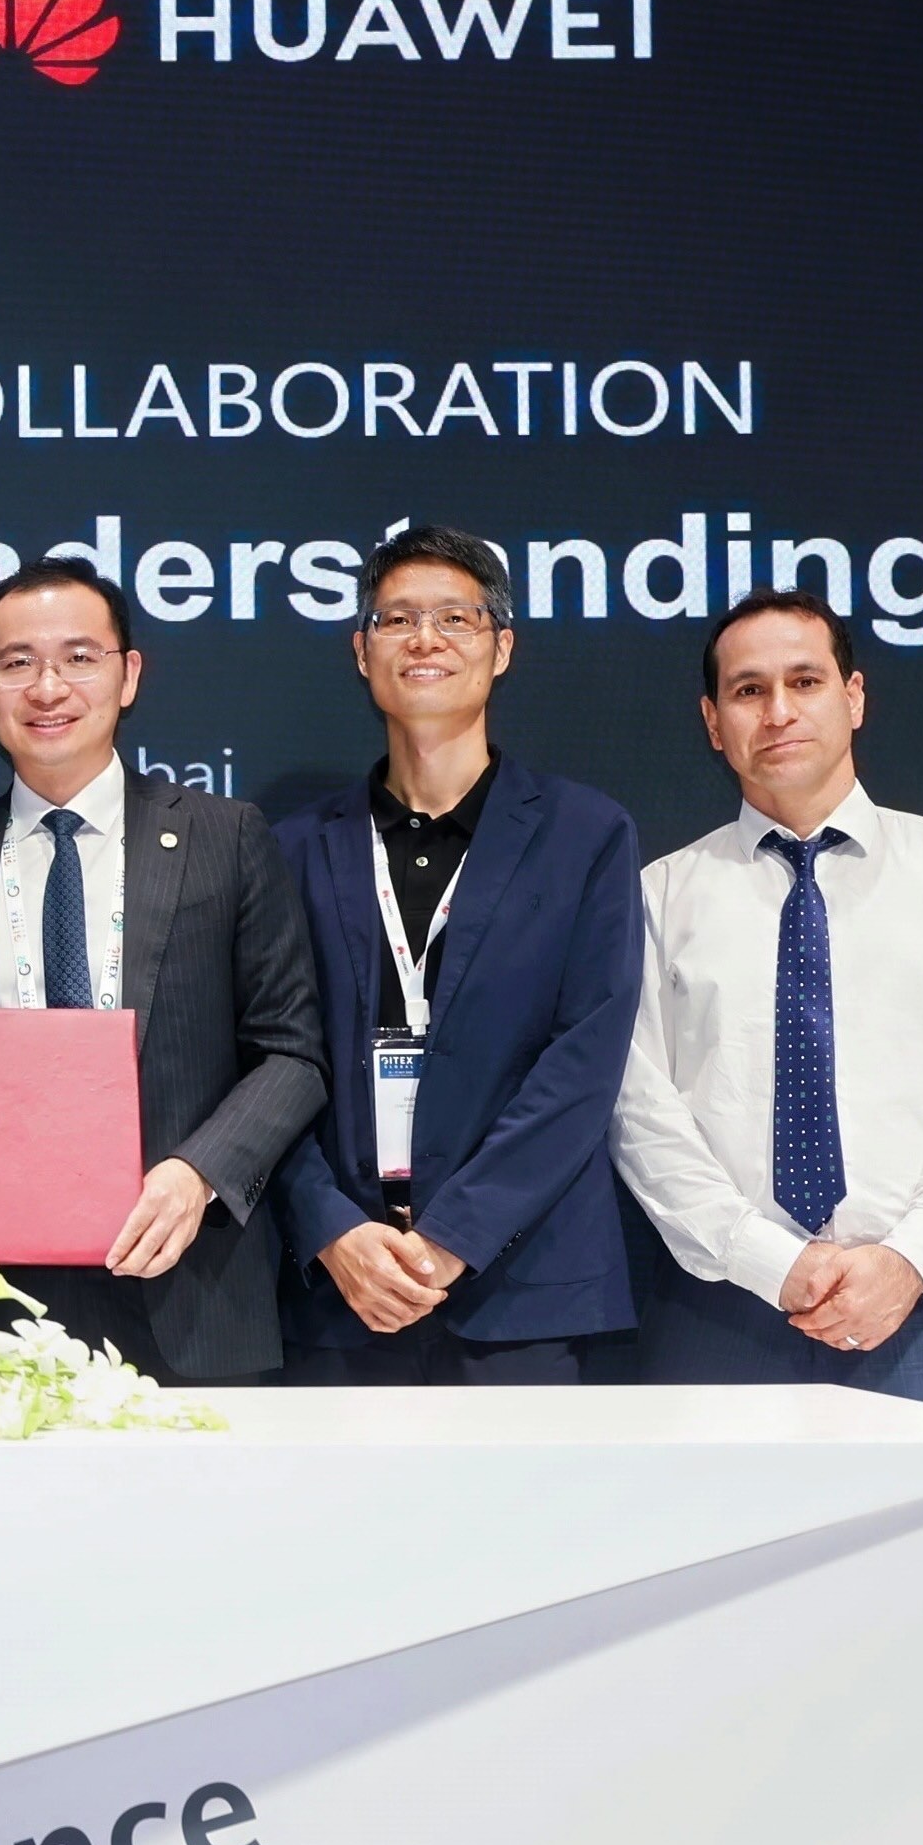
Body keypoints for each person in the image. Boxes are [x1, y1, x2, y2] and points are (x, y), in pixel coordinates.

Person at [613, 588, 923, 1405]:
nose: (778, 711)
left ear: (854, 697)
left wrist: (909, 1257)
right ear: (713, 722)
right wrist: (769, 1262)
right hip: (721, 1315)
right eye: (749, 690)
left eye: (806, 681)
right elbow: (639, 1110)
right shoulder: (657, 896)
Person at [0, 562, 325, 1379]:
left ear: (129, 675)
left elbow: (292, 1054)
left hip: (191, 1287)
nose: (48, 687)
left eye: (79, 657)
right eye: (17, 662)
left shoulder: (224, 837)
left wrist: (199, 1172)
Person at [270, 528, 641, 1382]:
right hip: (341, 1294)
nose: (424, 639)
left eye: (455, 618)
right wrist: (330, 1228)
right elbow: (264, 1063)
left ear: (501, 648)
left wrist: (452, 1238)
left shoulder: (586, 834)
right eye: (397, 619)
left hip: (522, 1294)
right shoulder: (291, 849)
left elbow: (584, 1062)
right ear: (361, 652)